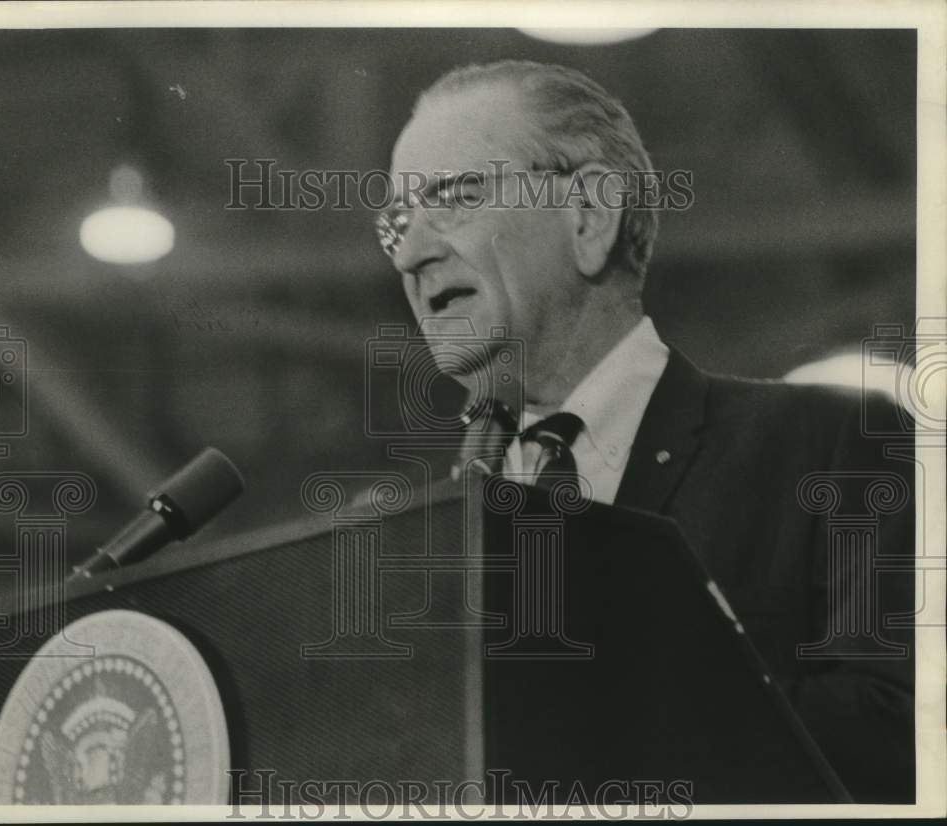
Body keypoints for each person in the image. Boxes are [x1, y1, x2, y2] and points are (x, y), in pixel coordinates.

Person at [376, 60, 914, 803]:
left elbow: (898, 741)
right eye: (396, 223)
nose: (409, 253)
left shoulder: (826, 443)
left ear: (590, 217)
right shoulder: (435, 535)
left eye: (455, 198)